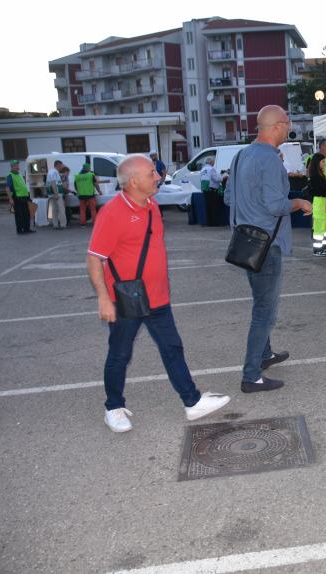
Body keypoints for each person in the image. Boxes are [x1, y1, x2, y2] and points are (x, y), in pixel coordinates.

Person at [86, 154, 230, 433]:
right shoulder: (112, 213)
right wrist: (103, 297)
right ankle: (113, 408)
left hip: (158, 296)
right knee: (120, 354)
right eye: (151, 173)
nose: (158, 176)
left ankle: (192, 402)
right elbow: (94, 257)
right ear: (133, 181)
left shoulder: (151, 205)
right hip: (126, 298)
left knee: (172, 348)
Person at [224, 105, 312, 393]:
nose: (289, 129)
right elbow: (276, 206)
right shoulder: (271, 161)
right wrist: (299, 203)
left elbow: (228, 198)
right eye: (287, 123)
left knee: (260, 301)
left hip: (245, 243)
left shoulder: (240, 156)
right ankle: (251, 375)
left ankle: (265, 354)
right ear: (276, 126)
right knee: (265, 311)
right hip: (266, 246)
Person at [308, 152, 326, 257]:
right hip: (319, 202)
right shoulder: (315, 176)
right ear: (317, 163)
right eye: (322, 161)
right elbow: (321, 190)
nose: (324, 163)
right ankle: (317, 249)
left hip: (324, 202)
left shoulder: (321, 174)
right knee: (319, 227)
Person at [6, 160, 33, 234]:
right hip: (17, 197)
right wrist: (10, 199)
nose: (18, 166)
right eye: (16, 165)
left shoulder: (19, 174)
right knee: (19, 215)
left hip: (24, 197)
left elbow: (23, 186)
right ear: (12, 166)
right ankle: (20, 230)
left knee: (26, 214)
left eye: (18, 165)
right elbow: (7, 188)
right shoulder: (10, 175)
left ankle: (27, 228)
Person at [74, 162, 104, 227]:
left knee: (82, 210)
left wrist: (79, 192)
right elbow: (96, 184)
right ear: (88, 168)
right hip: (90, 195)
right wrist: (99, 191)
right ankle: (95, 222)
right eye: (89, 168)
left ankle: (83, 224)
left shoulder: (77, 176)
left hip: (81, 196)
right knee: (93, 209)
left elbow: (76, 186)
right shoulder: (91, 175)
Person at [200, 156, 225, 226]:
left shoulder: (203, 169)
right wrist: (223, 176)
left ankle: (209, 222)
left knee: (208, 207)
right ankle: (215, 223)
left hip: (205, 190)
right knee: (215, 207)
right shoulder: (211, 169)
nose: (214, 163)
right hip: (212, 190)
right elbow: (216, 179)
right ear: (210, 162)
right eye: (213, 162)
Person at [46, 160, 67, 229]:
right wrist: (56, 193)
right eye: (61, 166)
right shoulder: (54, 172)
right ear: (57, 165)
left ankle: (55, 224)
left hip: (50, 193)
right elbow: (53, 182)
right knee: (61, 209)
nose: (62, 167)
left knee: (54, 209)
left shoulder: (50, 171)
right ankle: (63, 224)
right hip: (56, 193)